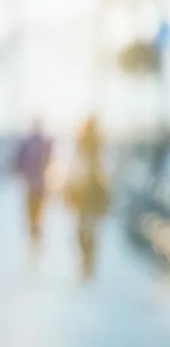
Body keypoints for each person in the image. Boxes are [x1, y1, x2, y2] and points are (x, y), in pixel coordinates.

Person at [62, 115, 110, 280]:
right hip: (86, 192)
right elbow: (74, 166)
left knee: (86, 229)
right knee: (85, 229)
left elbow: (76, 167)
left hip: (89, 192)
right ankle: (87, 260)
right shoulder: (85, 144)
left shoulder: (96, 145)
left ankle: (87, 261)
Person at [12, 120, 54, 245]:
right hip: (39, 182)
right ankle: (35, 228)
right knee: (38, 207)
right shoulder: (43, 142)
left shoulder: (27, 142)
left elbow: (18, 161)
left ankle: (33, 229)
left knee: (31, 208)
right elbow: (49, 158)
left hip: (30, 182)